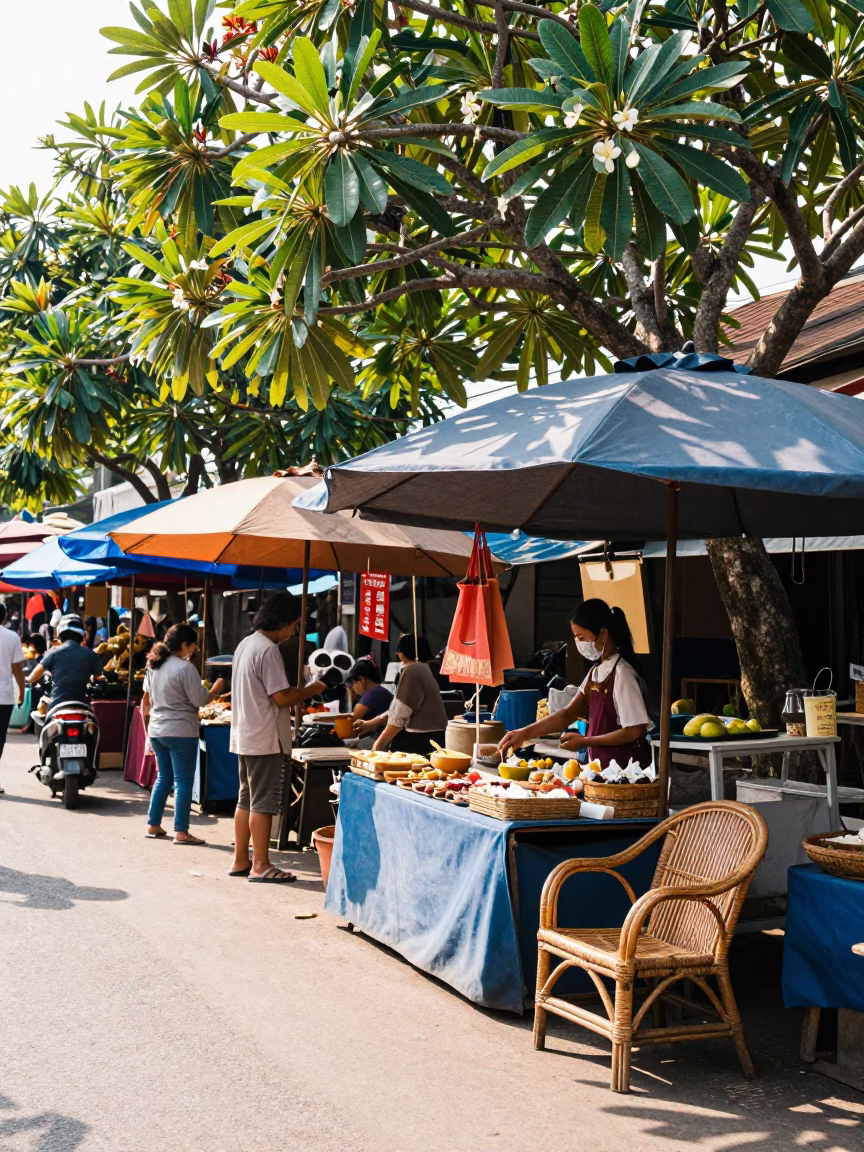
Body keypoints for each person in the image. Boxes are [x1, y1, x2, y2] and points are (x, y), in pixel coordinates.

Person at [229, 592, 327, 884]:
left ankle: (241, 860)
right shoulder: (268, 650)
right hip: (264, 738)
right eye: (294, 625)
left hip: (246, 734)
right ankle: (261, 864)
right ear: (282, 621)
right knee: (263, 802)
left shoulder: (245, 644)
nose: (293, 631)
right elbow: (282, 696)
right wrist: (312, 689)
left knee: (246, 799)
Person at [497, 599, 651, 769]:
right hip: (601, 769)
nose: (578, 643)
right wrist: (524, 733)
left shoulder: (622, 673)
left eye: (581, 637)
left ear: (603, 634)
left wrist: (586, 741)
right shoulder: (596, 672)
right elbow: (568, 714)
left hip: (626, 772)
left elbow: (635, 730)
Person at [142, 624, 225, 845]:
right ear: (183, 645)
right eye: (193, 644)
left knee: (163, 778)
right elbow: (199, 700)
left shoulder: (153, 666)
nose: (195, 648)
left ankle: (153, 824)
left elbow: (147, 701)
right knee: (183, 781)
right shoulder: (185, 668)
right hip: (181, 731)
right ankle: (181, 831)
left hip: (158, 730)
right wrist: (215, 689)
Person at [366, 634, 448, 756]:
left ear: (401, 654)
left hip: (420, 743)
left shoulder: (412, 671)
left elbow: (398, 719)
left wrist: (378, 745)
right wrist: (370, 724)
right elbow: (398, 711)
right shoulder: (424, 669)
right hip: (434, 740)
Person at [27, 614, 104, 707]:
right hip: (82, 704)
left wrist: (24, 678)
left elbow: (32, 677)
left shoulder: (52, 653)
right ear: (81, 635)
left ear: (60, 635)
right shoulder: (91, 654)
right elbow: (99, 675)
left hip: (56, 705)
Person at [0, 602, 25, 797]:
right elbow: (18, 668)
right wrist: (22, 692)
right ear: (4, 618)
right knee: (0, 740)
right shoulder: (11, 637)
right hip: (4, 696)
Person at [348, 659, 392, 732]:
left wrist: (350, 700)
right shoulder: (380, 691)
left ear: (361, 679)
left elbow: (353, 720)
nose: (352, 688)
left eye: (353, 683)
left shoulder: (373, 693)